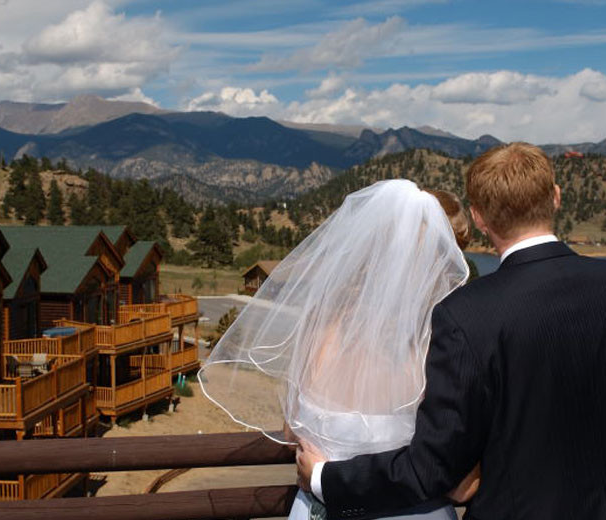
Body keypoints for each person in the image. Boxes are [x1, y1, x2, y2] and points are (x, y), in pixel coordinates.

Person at [297, 143, 606, 520]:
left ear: (479, 218)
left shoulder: (467, 314)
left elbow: (435, 464)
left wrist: (324, 478)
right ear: (557, 197)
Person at [199, 179, 476, 520]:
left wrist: (324, 466)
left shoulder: (319, 326)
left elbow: (291, 430)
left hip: (317, 507)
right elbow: (462, 486)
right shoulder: (437, 346)